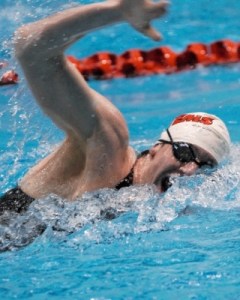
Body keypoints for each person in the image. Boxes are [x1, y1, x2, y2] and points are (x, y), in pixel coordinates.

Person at [0, 0, 230, 214]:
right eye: (183, 152)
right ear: (156, 147)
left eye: (205, 165)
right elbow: (30, 47)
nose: (190, 169)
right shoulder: (109, 141)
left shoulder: (155, 201)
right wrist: (118, 12)